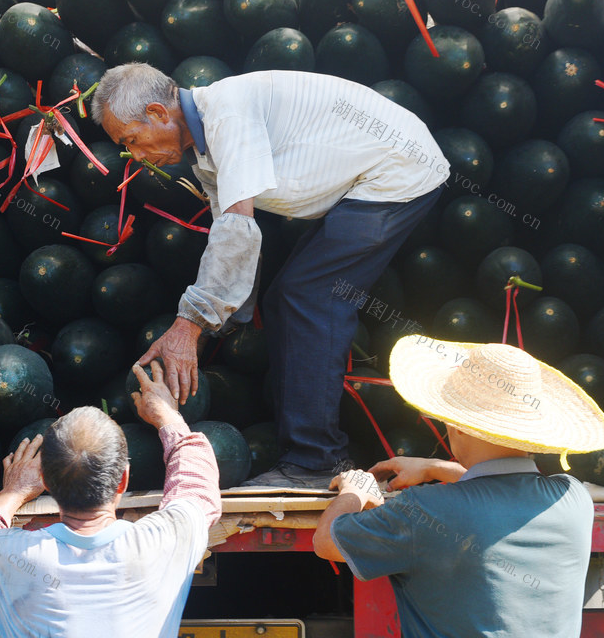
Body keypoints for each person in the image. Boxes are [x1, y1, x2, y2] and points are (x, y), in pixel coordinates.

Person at [91, 64, 449, 488]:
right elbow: (234, 239)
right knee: (286, 297)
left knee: (311, 297)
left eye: (131, 140)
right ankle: (309, 455)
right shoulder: (205, 152)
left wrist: (188, 327)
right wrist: (208, 327)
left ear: (157, 113)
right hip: (366, 178)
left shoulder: (227, 114)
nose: (135, 156)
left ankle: (316, 462)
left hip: (398, 169)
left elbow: (237, 228)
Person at [313, 335, 604, 638]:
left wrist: (354, 490)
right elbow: (501, 494)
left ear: (456, 424)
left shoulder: (425, 511)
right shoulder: (575, 499)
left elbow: (326, 543)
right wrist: (435, 468)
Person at [0, 361, 222, 638]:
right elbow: (197, 488)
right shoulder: (161, 544)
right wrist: (168, 416)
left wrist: (13, 493)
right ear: (123, 480)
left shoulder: (12, 557)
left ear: (45, 481)